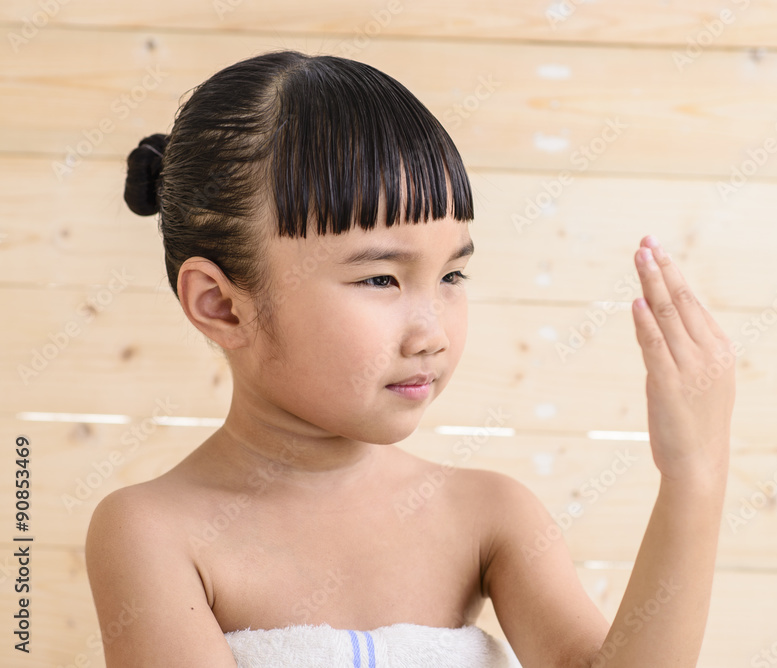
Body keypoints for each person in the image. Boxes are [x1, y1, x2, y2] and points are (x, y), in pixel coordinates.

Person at [86, 50, 735, 667]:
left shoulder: (489, 515)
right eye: (380, 280)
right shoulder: (152, 532)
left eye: (452, 276)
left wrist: (693, 478)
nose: (431, 333)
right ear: (223, 306)